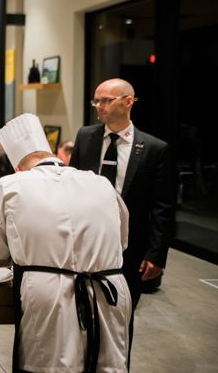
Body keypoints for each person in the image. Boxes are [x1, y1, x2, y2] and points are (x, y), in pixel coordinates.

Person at [0, 113, 132, 372]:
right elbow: (122, 242)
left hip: (48, 292)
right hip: (111, 290)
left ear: (18, 166)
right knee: (108, 364)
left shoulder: (9, 186)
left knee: (48, 364)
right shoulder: (101, 183)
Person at [70, 78, 176, 311]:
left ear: (128, 102)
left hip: (130, 245)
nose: (99, 106)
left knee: (123, 310)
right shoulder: (86, 137)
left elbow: (163, 206)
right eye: (96, 101)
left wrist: (157, 254)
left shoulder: (154, 148)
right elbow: (72, 187)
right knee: (82, 308)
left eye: (106, 100)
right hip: (86, 239)